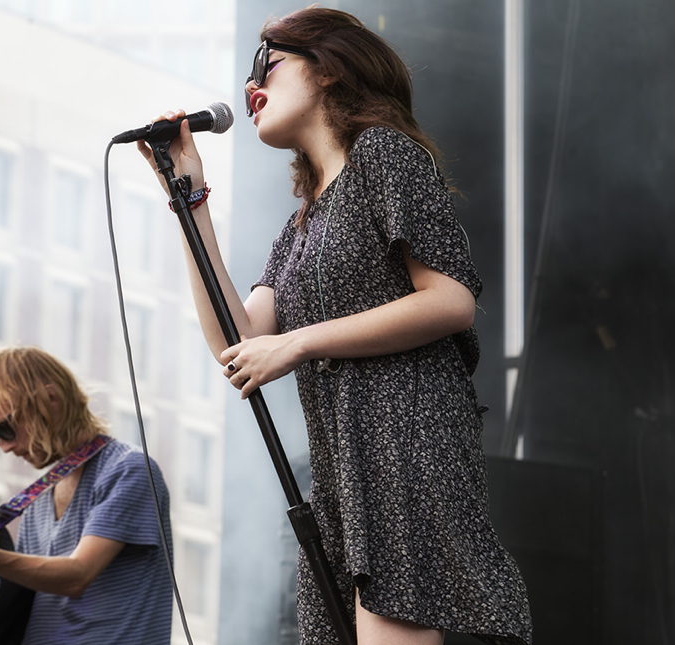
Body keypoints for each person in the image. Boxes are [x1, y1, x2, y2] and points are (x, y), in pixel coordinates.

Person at [138, 6, 533, 645]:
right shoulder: (299, 227)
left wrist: (299, 343)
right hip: (342, 469)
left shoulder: (383, 153)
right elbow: (239, 344)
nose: (249, 84)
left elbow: (451, 299)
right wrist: (190, 201)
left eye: (267, 61)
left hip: (407, 443)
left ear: (328, 69)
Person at [0, 346, 173, 645]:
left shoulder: (128, 470)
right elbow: (24, 619)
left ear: (51, 400)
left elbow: (78, 576)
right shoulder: (36, 504)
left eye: (6, 429)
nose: (5, 447)